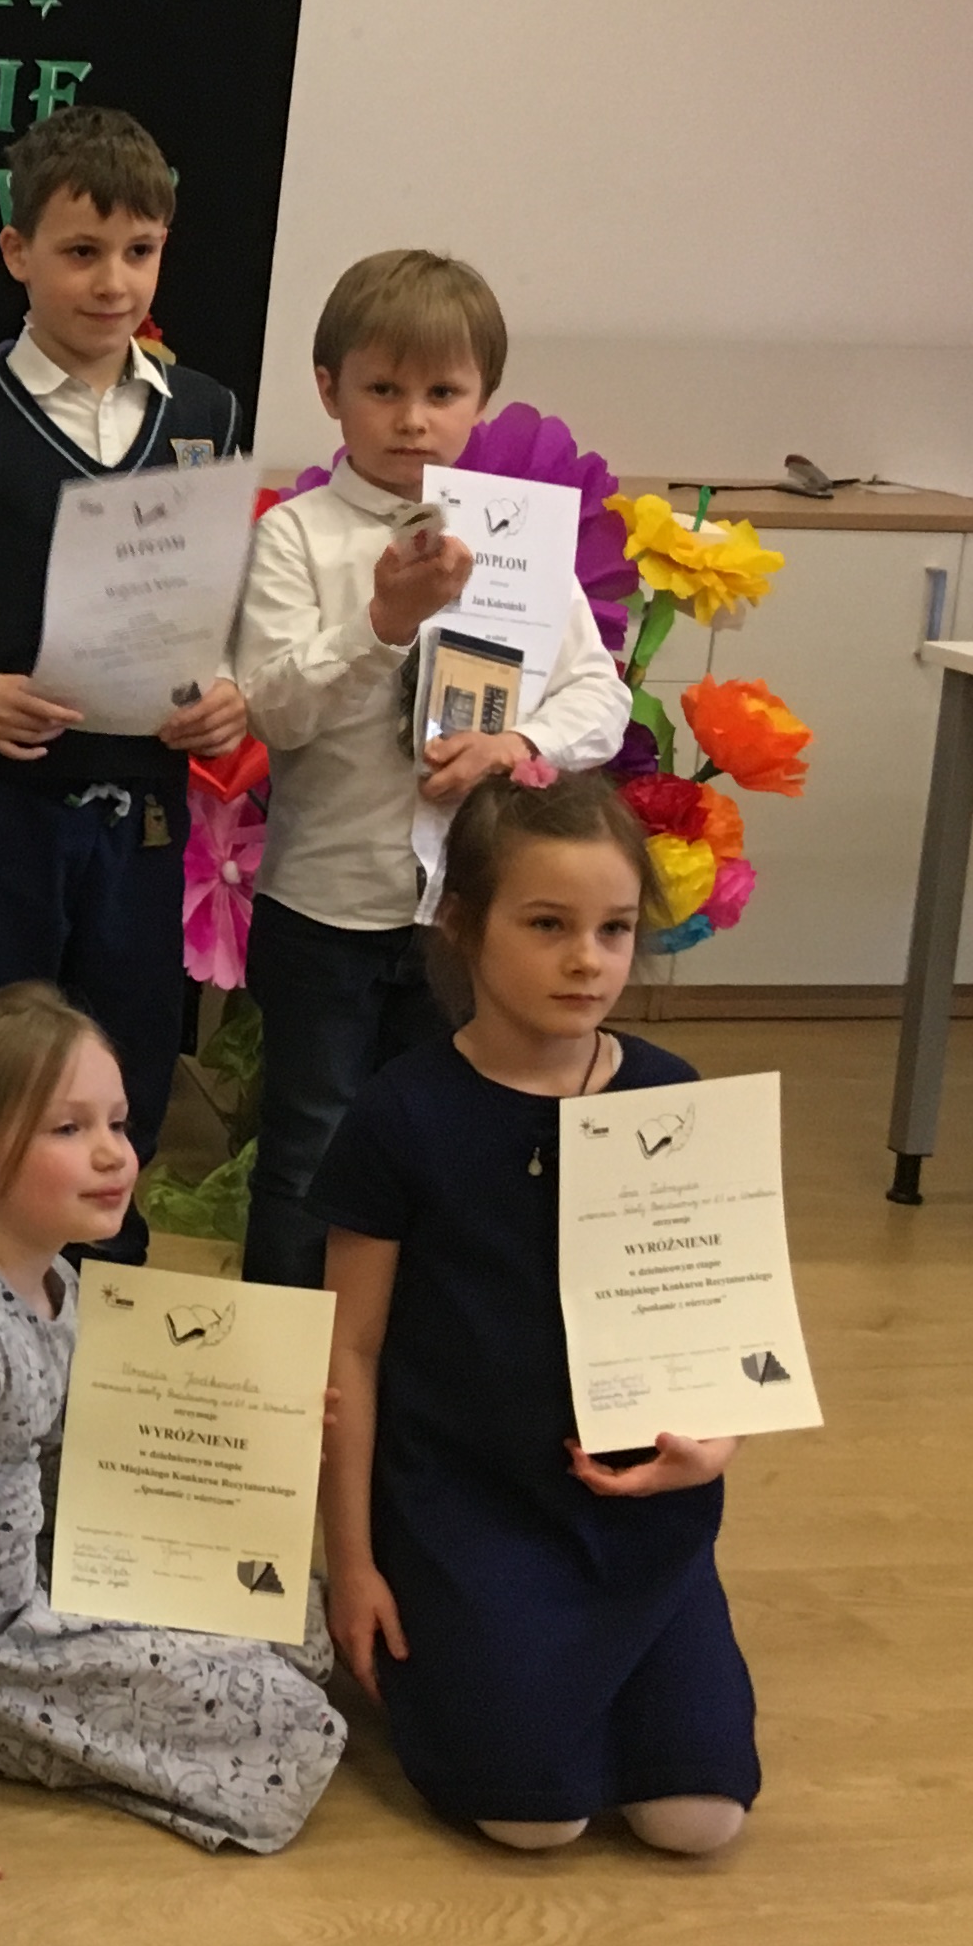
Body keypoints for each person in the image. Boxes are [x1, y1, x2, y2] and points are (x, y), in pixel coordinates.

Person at [0, 982, 343, 1903]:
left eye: (118, 1123)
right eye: (67, 1129)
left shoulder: (50, 1276)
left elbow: (88, 1451)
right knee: (289, 1721)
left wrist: (268, 1434)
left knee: (296, 1623)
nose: (112, 1154)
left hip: (26, 1573)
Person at [313, 769, 759, 1855]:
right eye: (548, 925)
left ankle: (607, 1671)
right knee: (532, 1817)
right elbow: (349, 1352)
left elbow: (717, 1327)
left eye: (615, 929)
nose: (587, 960)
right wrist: (353, 1566)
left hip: (638, 1517)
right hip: (466, 1511)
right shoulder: (402, 1113)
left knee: (699, 1817)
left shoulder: (671, 1096)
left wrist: (712, 1448)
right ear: (465, 926)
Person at [0, 104, 249, 1272]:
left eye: (140, 251)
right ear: (16, 252)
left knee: (123, 1064)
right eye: (82, 251)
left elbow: (226, 596)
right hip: (5, 800)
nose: (112, 281)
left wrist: (227, 689)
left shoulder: (205, 415)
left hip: (143, 810)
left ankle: (93, 1305)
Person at [230, 250, 628, 1289]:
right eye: (383, 389)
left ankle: (408, 1356)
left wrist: (517, 748)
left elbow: (601, 698)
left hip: (468, 909)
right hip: (326, 903)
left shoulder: (517, 540)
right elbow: (273, 708)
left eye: (443, 393)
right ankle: (290, 1363)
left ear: (480, 400)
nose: (412, 419)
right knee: (308, 1149)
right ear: (330, 390)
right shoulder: (296, 537)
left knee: (453, 1142)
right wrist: (382, 624)